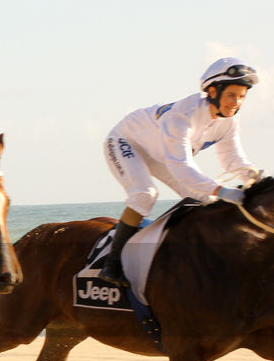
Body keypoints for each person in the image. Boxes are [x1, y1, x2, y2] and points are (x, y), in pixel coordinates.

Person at [98, 58, 260, 287]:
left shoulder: (229, 121)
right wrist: (223, 190)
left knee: (206, 199)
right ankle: (111, 265)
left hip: (161, 154)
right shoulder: (183, 117)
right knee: (145, 194)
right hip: (126, 141)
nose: (237, 102)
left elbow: (232, 158)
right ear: (213, 91)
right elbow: (182, 167)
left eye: (242, 96)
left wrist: (251, 176)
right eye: (232, 95)